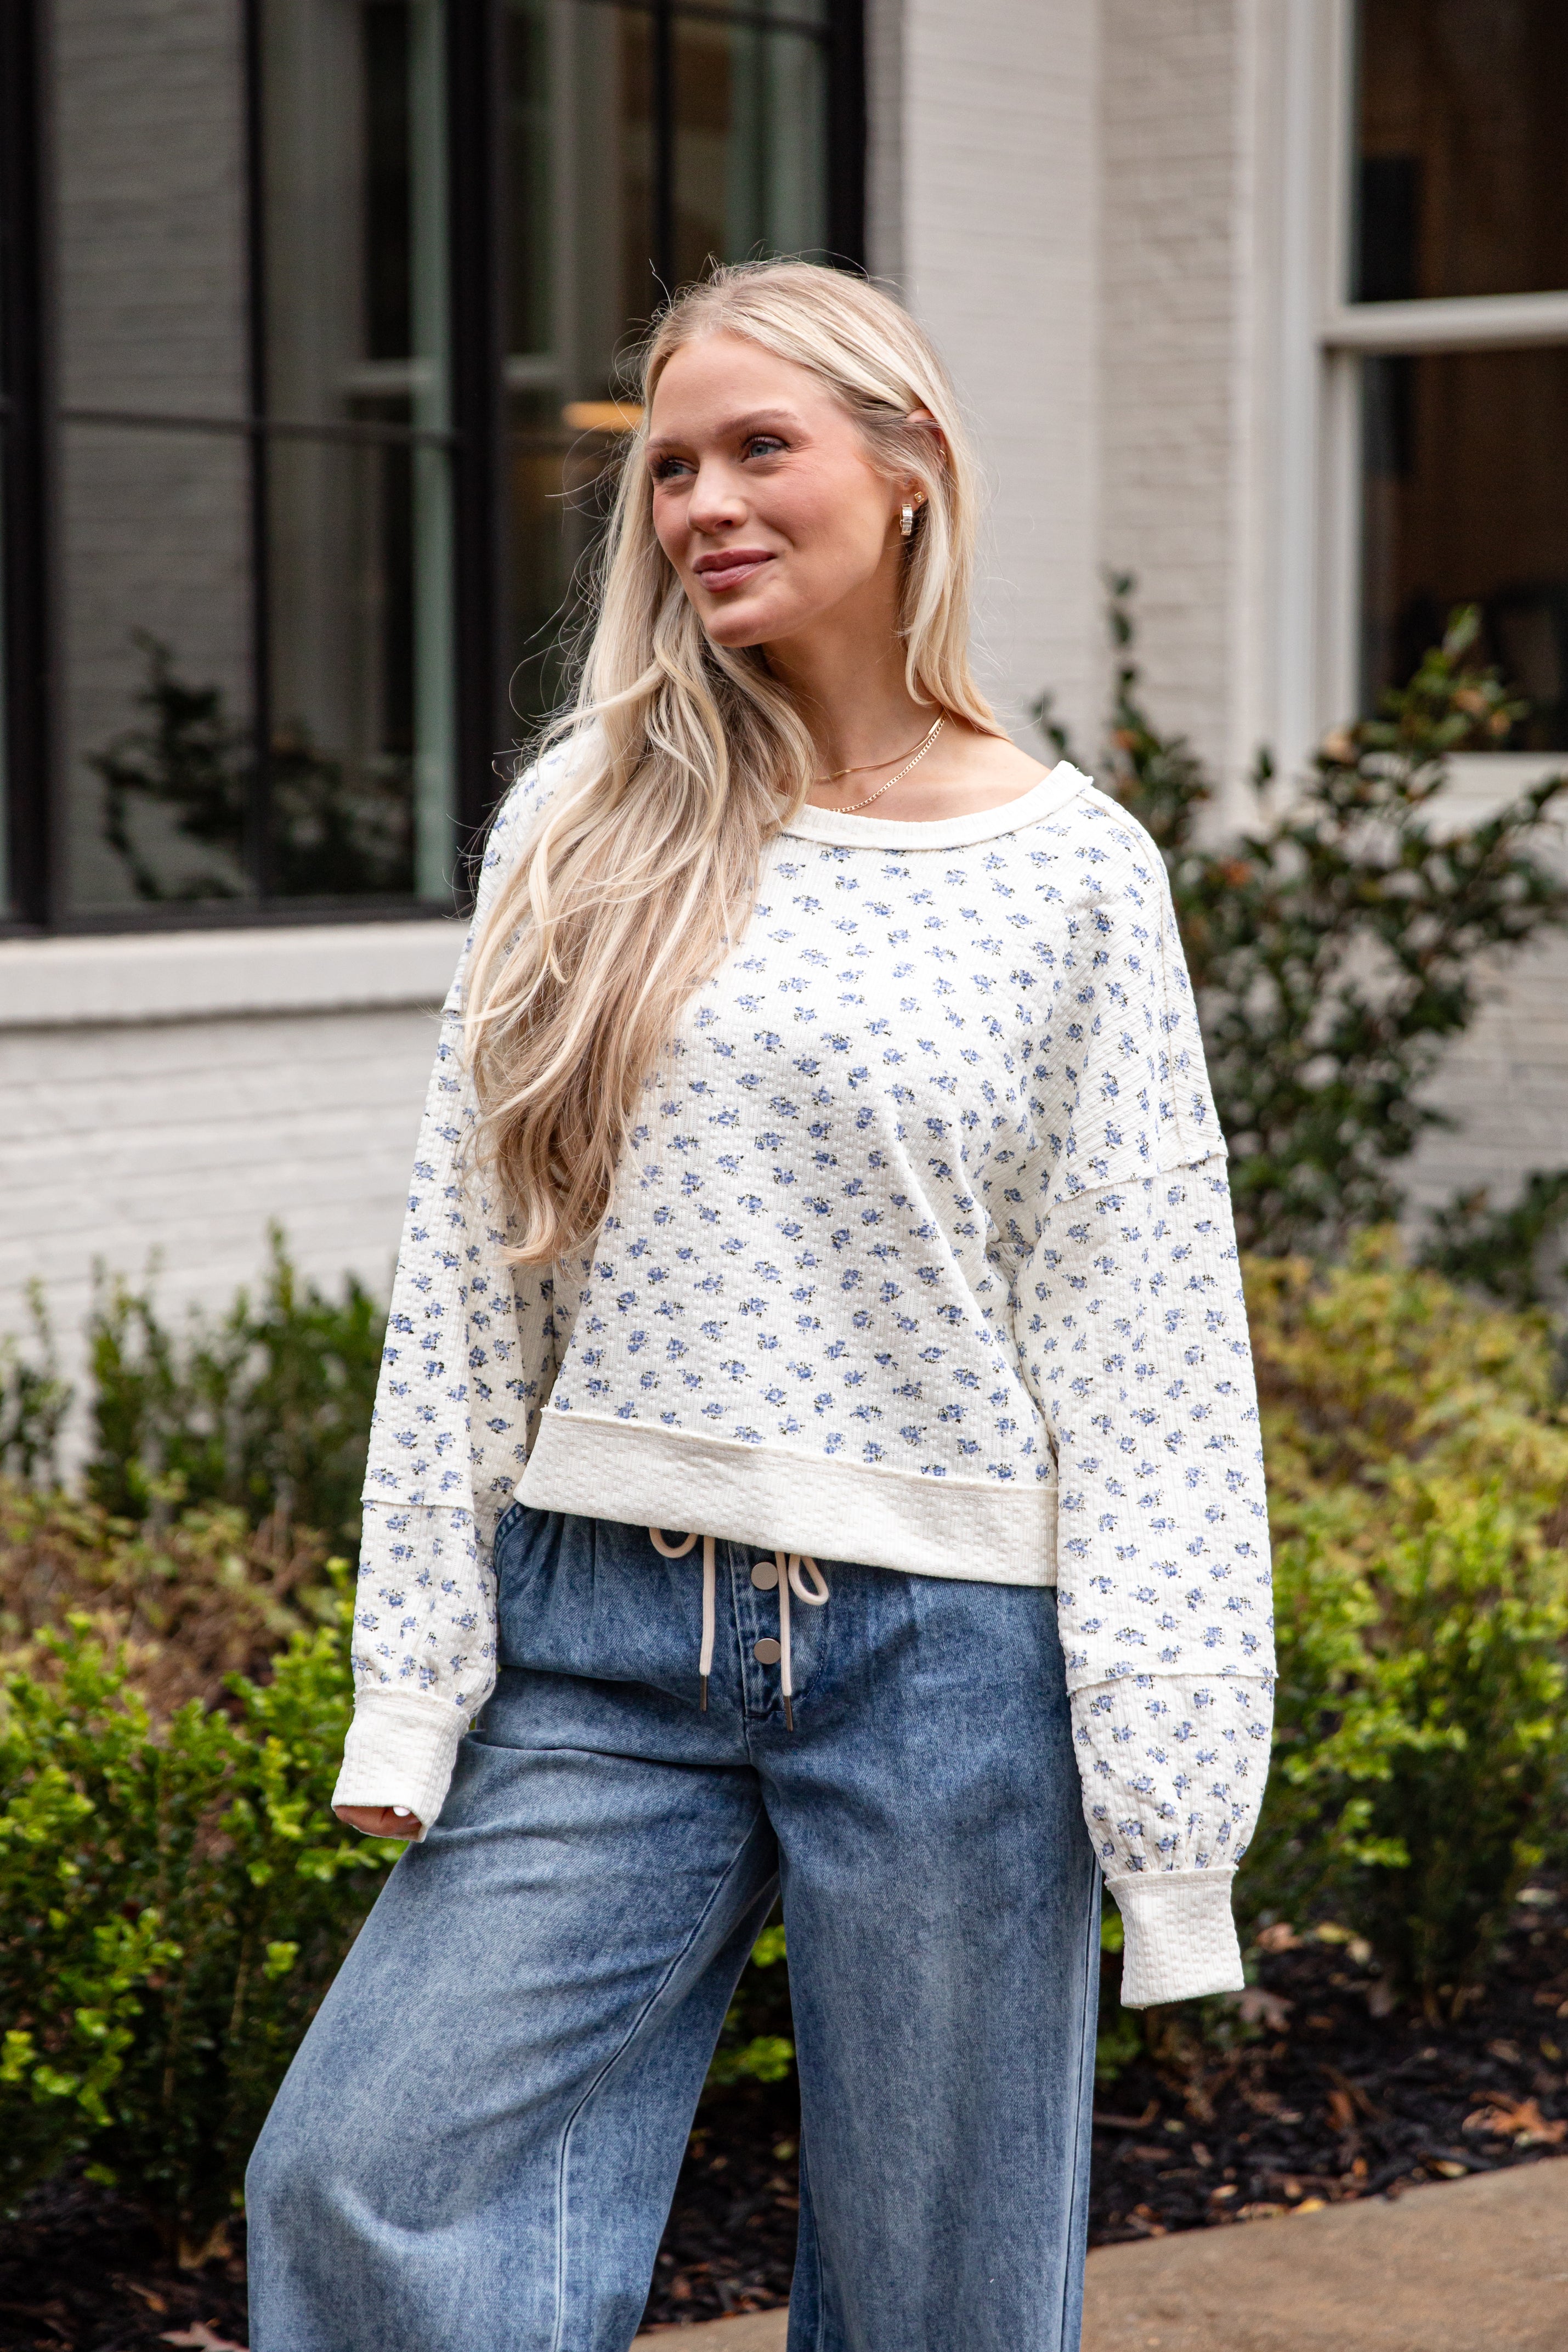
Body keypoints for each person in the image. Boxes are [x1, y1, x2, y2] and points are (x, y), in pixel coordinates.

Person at [246, 260, 1274, 2352]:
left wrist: (1171, 1828)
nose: (698, 499)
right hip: (603, 1635)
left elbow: (1150, 1358)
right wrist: (414, 1678)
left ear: (906, 476)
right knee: (362, 2176)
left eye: (757, 449)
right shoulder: (584, 818)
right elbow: (469, 1275)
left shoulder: (1073, 873)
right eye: (668, 465)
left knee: (935, 2307)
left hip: (953, 1666)